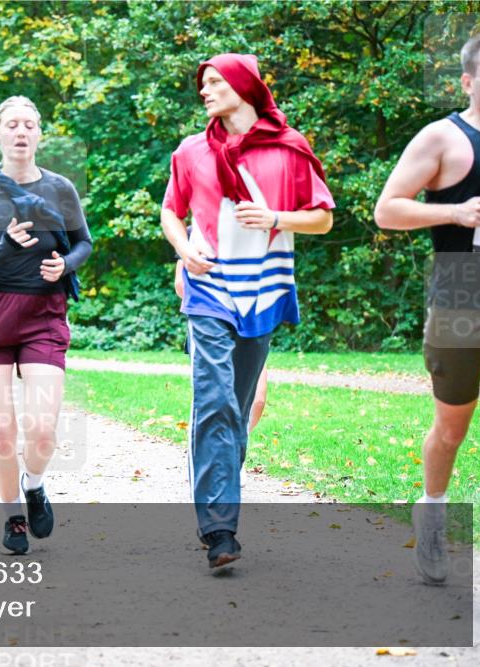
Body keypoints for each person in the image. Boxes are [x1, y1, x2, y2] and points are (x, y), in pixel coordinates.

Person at [160, 54, 334, 569]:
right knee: (213, 398)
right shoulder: (192, 150)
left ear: (244, 86)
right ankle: (219, 529)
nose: (205, 91)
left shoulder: (289, 148)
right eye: (203, 84)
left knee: (234, 408)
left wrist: (277, 217)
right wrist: (183, 250)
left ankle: (214, 484)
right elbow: (173, 211)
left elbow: (322, 219)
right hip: (208, 287)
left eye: (215, 82)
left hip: (262, 290)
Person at [374, 32, 480, 585]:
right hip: (464, 290)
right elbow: (387, 211)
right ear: (468, 81)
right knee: (452, 425)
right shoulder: (443, 137)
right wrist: (454, 212)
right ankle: (433, 511)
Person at [0, 96, 93, 554]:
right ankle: (13, 515)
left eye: (29, 125)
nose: (20, 132)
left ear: (39, 134)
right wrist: (5, 249)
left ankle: (34, 484)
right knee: (0, 430)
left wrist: (66, 267)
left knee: (42, 429)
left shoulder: (61, 189)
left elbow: (83, 244)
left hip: (43, 316)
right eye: (12, 124)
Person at [174, 256, 269, 488]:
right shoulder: (197, 231)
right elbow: (180, 284)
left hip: (252, 324)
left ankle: (232, 450)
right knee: (215, 398)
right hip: (211, 323)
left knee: (256, 400)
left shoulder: (258, 229)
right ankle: (211, 460)